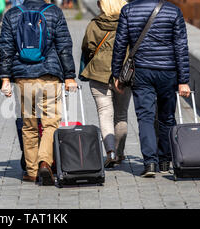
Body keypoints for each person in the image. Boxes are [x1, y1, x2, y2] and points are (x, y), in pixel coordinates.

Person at [0, 0, 77, 185]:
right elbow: (64, 45)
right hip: (49, 75)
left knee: (29, 125)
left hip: (23, 76)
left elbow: (6, 48)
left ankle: (32, 171)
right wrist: (69, 76)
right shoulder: (54, 12)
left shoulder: (12, 14)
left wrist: (5, 78)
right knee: (50, 123)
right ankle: (45, 162)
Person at [112, 0, 191, 177]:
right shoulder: (173, 11)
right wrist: (183, 80)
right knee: (167, 116)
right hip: (168, 72)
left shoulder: (128, 10)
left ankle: (150, 164)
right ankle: (165, 160)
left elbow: (120, 44)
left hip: (142, 72)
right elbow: (181, 46)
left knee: (145, 117)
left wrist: (117, 74)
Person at [80, 0, 130, 169]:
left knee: (104, 113)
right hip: (124, 75)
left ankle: (110, 152)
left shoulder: (95, 24)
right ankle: (119, 152)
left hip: (98, 73)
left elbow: (87, 47)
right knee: (121, 115)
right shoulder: (129, 22)